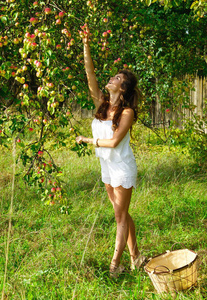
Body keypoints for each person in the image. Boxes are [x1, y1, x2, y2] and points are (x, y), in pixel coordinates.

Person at [76, 25, 145, 277]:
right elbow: (89, 74)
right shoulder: (102, 105)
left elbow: (115, 141)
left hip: (122, 167)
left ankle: (115, 265)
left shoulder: (126, 112)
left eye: (117, 78)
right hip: (107, 166)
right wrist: (86, 44)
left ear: (123, 89)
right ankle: (137, 256)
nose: (111, 79)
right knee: (122, 213)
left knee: (119, 217)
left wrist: (87, 140)